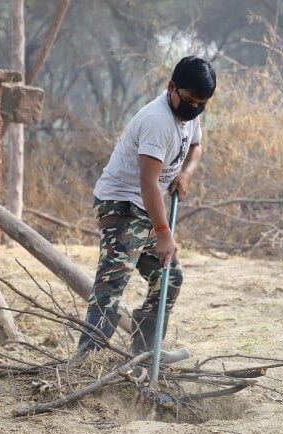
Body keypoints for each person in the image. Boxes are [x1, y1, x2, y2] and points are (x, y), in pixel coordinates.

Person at [77, 56, 216, 356]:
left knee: (169, 277)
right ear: (171, 87)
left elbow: (196, 146)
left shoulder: (190, 114)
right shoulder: (157, 121)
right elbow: (148, 183)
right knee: (112, 283)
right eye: (191, 100)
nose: (196, 108)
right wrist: (164, 233)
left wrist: (186, 173)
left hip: (147, 206)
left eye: (202, 103)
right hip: (123, 203)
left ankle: (145, 352)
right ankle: (86, 360)